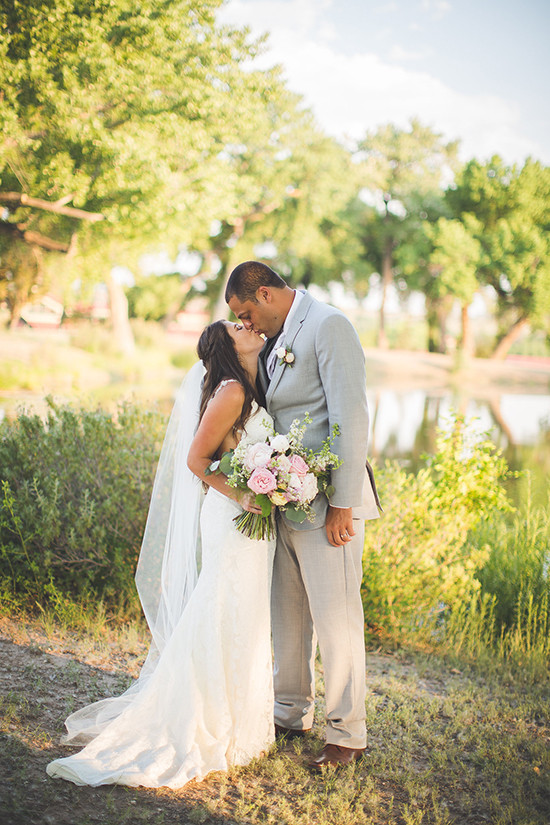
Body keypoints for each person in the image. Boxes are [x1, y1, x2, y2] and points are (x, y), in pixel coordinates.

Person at [46, 320, 276, 789]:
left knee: (243, 613)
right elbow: (197, 460)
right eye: (238, 324)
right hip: (233, 517)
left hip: (249, 520)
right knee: (220, 610)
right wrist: (244, 496)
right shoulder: (232, 391)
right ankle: (204, 719)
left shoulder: (252, 386)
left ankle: (243, 720)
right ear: (228, 346)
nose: (249, 325)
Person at [226, 261, 380, 771]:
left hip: (329, 505)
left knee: (336, 621)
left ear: (266, 294)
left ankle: (346, 735)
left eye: (248, 312)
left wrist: (343, 503)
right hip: (285, 500)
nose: (247, 325)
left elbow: (351, 417)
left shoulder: (329, 325)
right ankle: (290, 712)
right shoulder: (271, 338)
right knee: (288, 616)